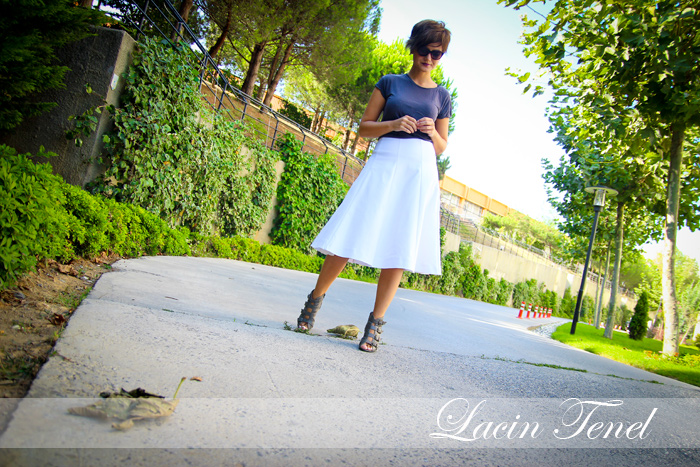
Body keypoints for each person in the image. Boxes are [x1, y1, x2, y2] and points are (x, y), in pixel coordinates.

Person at [296, 19, 452, 353]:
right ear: (413, 48)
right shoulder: (389, 82)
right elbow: (364, 128)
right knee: (353, 230)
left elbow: (441, 147)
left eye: (437, 53)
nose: (429, 58)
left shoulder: (442, 95)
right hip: (385, 163)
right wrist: (393, 124)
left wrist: (431, 132)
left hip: (419, 172)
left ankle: (375, 324)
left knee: (400, 245)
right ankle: (314, 301)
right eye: (424, 50)